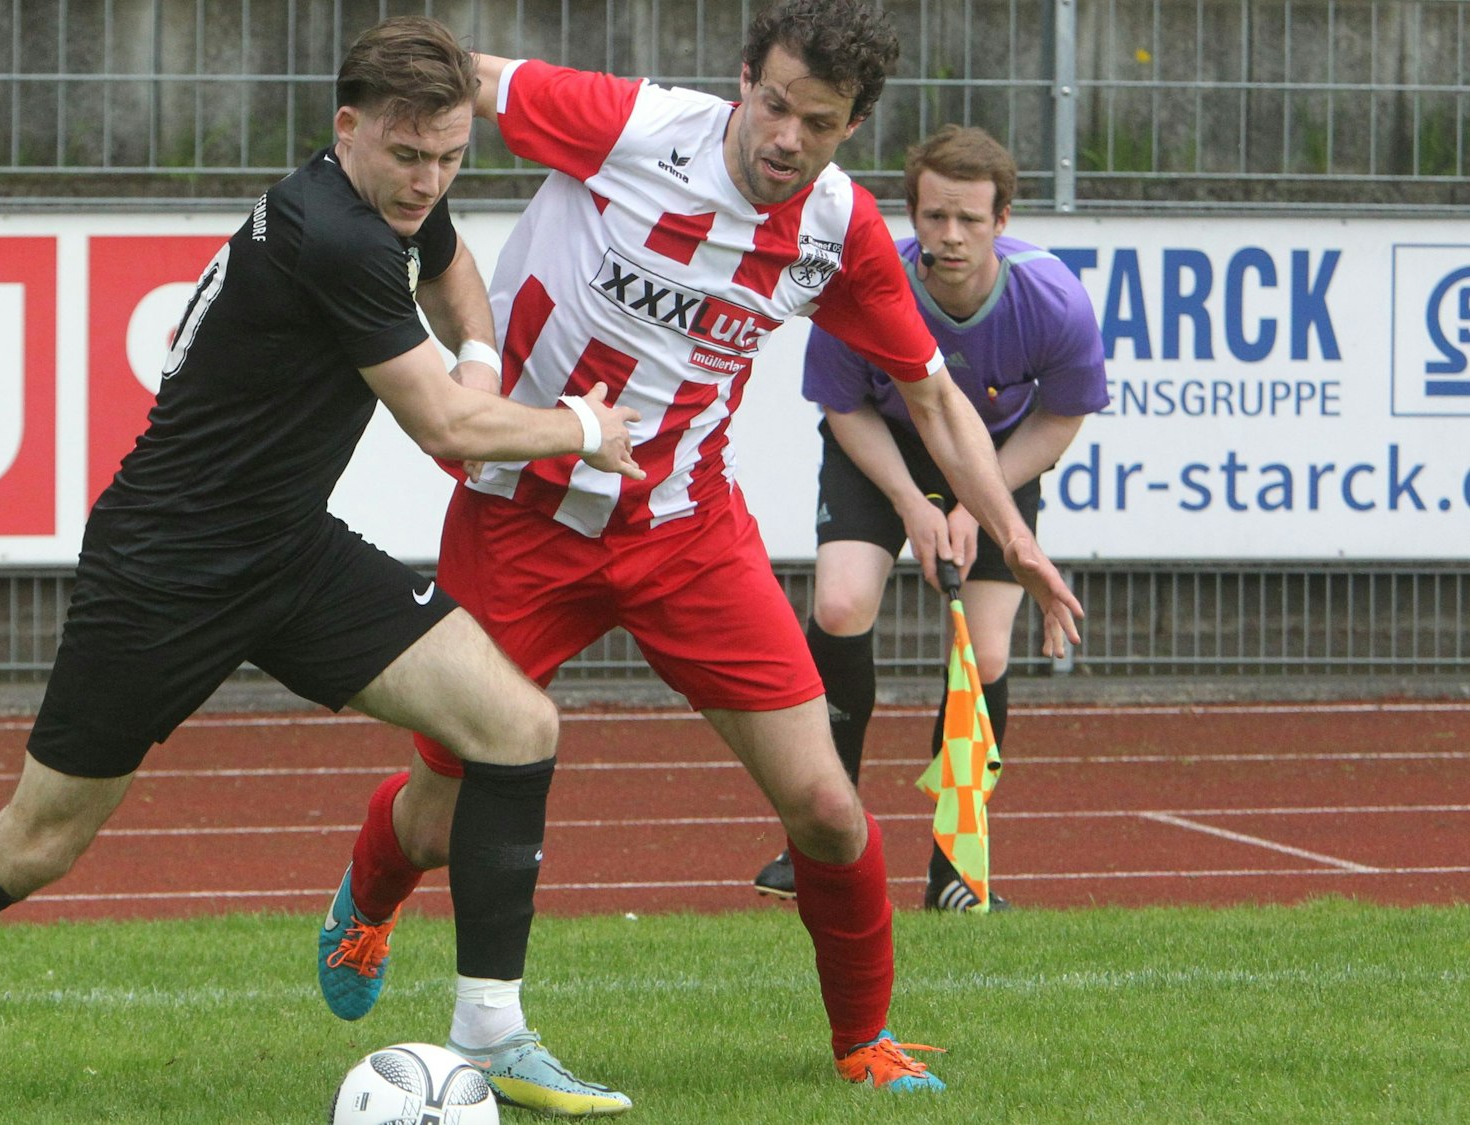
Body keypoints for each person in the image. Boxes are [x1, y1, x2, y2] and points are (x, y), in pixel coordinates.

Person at [0, 17, 645, 1109]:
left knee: (516, 725)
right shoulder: (333, 233)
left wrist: (479, 349)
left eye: (448, 159)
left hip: (286, 551)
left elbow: (447, 268)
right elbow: (443, 427)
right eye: (407, 156)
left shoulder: (392, 208)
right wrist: (577, 428)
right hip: (163, 571)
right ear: (347, 130)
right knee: (40, 842)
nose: (428, 182)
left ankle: (488, 1029)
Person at [314, 1, 1084, 1112]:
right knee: (438, 814)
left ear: (849, 128)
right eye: (769, 103)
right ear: (743, 82)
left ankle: (863, 1042)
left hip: (684, 536)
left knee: (823, 804)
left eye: (814, 122)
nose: (782, 136)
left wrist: (1015, 539)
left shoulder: (839, 231)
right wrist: (347, 158)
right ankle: (370, 900)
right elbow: (454, 72)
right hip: (518, 517)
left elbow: (930, 394)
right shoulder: (632, 127)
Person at [749, 124, 1108, 909]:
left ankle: (956, 867)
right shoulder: (868, 284)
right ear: (911, 214)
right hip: (880, 448)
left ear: (1002, 221)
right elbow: (843, 408)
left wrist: (984, 501)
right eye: (934, 216)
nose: (950, 236)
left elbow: (1061, 417)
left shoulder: (1054, 301)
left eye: (970, 220)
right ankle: (818, 834)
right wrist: (913, 502)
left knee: (981, 653)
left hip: (998, 459)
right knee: (840, 602)